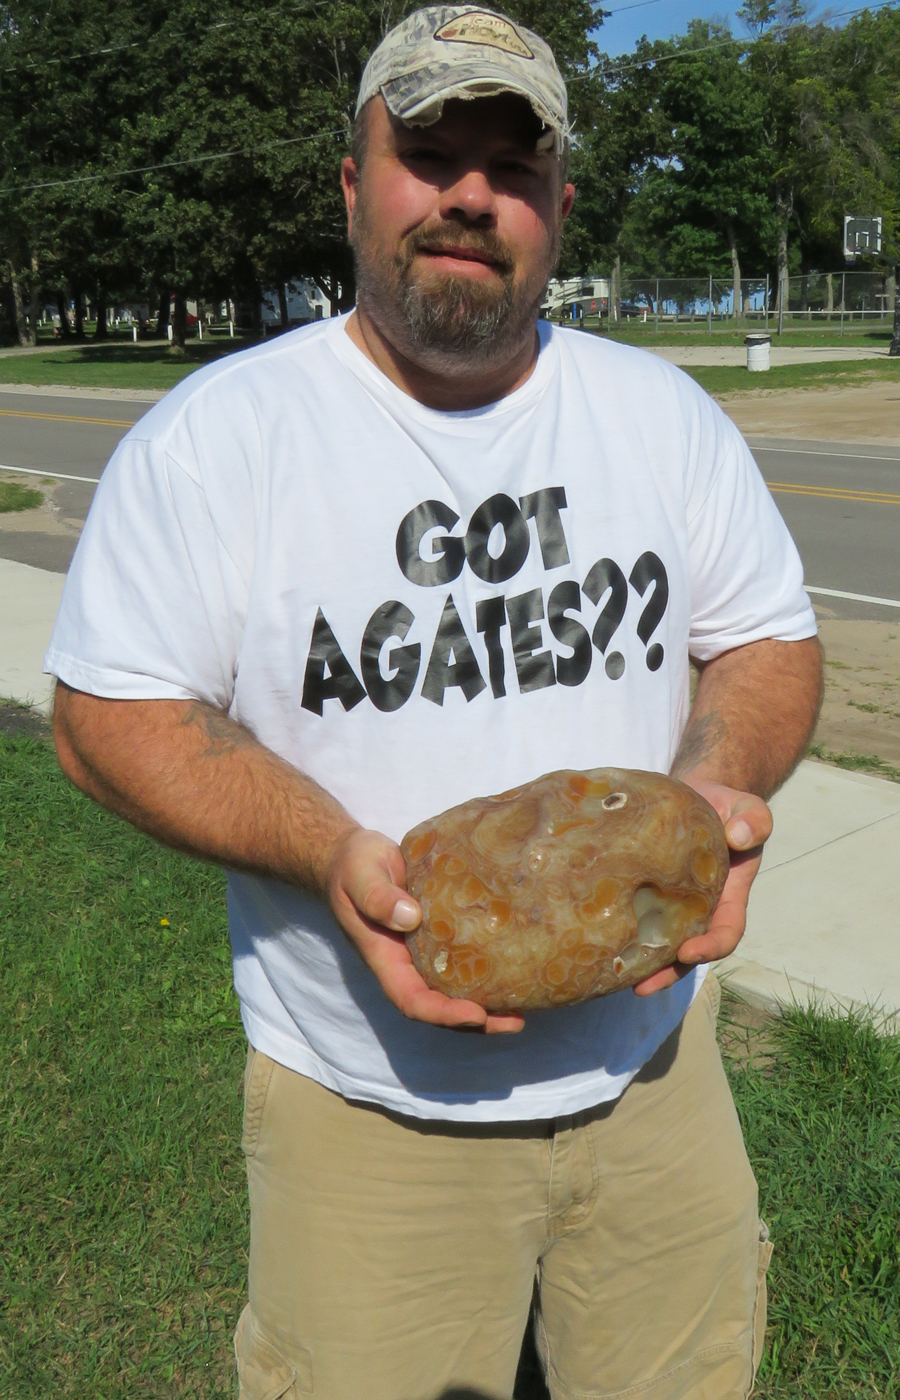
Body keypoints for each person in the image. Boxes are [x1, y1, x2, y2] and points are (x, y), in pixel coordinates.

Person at [47, 7, 823, 1398]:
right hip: (369, 1116)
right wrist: (326, 849)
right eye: (427, 154)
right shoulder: (221, 440)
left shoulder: (662, 414)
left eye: (511, 168)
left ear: (559, 209)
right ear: (353, 185)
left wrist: (713, 781)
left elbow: (765, 643)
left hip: (655, 1082)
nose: (470, 194)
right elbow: (110, 720)